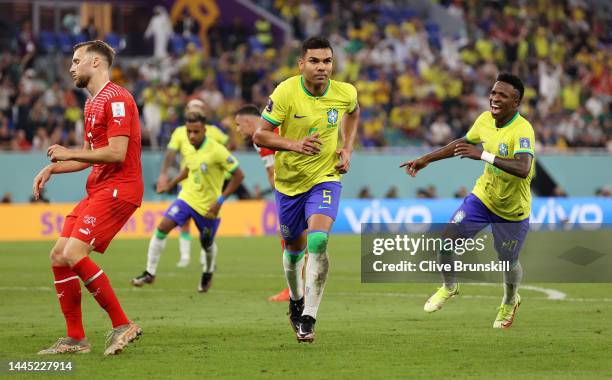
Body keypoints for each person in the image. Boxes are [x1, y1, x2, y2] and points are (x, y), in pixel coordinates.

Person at [32, 40, 143, 355]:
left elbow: (117, 153)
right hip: (99, 187)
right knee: (58, 255)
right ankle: (75, 339)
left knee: (74, 252)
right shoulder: (91, 103)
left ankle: (123, 324)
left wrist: (70, 152)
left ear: (96, 63)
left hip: (121, 187)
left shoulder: (118, 99)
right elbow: (90, 157)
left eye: (76, 60)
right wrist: (54, 168)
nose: (70, 67)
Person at [400, 73, 534, 329]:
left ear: (515, 102)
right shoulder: (484, 120)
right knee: (446, 241)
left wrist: (484, 155)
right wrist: (426, 159)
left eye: (502, 95)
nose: (494, 98)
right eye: (493, 93)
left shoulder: (523, 129)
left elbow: (523, 167)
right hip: (482, 199)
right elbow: (462, 143)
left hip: (512, 210)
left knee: (508, 261)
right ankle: (449, 287)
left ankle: (509, 300)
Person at [253, 36, 360, 342]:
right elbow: (260, 136)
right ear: (301, 64)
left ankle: (309, 316)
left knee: (318, 241)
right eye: (314, 61)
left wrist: (347, 148)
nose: (321, 67)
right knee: (292, 253)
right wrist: (294, 145)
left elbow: (353, 112)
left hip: (325, 178)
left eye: (327, 61)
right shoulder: (286, 91)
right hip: (288, 185)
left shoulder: (344, 93)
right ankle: (296, 299)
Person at [132, 111, 244, 292]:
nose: (191, 136)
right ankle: (149, 273)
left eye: (196, 132)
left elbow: (239, 175)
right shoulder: (189, 148)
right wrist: (170, 184)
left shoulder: (217, 151)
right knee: (162, 228)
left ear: (204, 130)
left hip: (208, 206)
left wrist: (220, 201)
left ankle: (207, 272)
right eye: (189, 131)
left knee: (206, 244)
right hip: (187, 197)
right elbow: (188, 169)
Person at [156, 99, 229, 268]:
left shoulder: (214, 131)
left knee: (207, 223)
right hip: (187, 182)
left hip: (209, 184)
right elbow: (170, 153)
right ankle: (185, 256)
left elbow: (228, 145)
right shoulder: (180, 132)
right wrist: (163, 174)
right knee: (184, 221)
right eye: (192, 108)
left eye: (199, 108)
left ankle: (205, 256)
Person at [234, 104, 290, 302]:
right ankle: (301, 284)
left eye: (239, 125)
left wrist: (282, 198)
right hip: (303, 180)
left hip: (296, 187)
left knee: (289, 234)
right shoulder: (271, 128)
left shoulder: (262, 134)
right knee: (294, 235)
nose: (238, 130)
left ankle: (296, 288)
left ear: (248, 121)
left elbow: (272, 172)